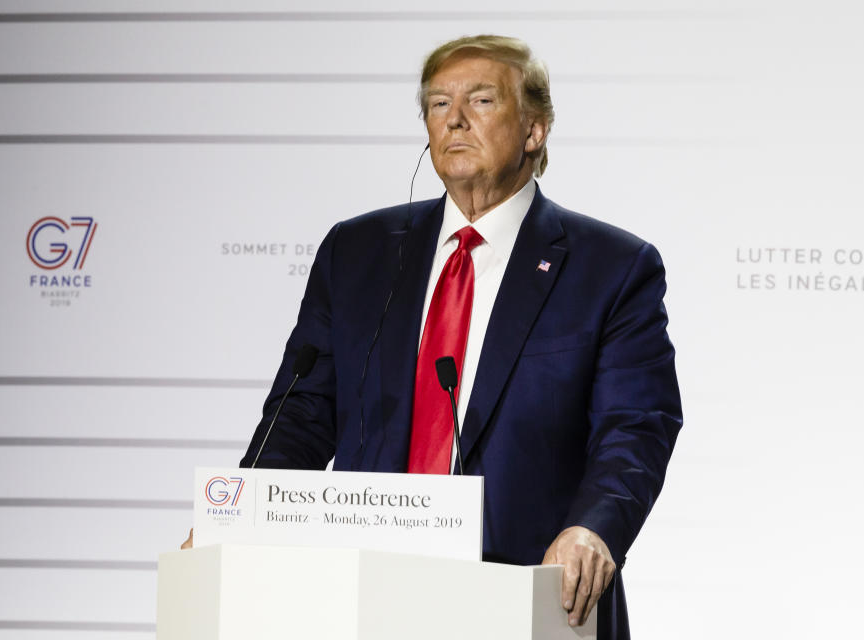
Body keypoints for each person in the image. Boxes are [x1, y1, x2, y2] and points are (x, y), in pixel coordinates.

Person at [189, 35, 683, 640]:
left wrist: (595, 529)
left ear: (535, 130)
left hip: (526, 594)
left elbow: (635, 428)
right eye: (437, 103)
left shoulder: (611, 267)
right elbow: (301, 411)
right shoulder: (358, 252)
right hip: (361, 595)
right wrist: (235, 519)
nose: (454, 119)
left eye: (480, 100)